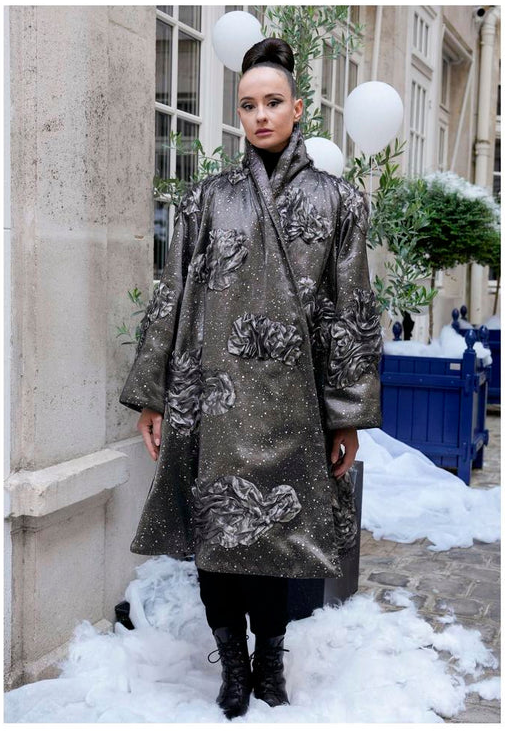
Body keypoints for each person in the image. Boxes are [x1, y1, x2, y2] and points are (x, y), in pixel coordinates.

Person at [119, 37, 383, 720]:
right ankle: (232, 666)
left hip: (295, 403)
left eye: (272, 102)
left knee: (274, 540)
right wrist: (153, 396)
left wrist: (347, 415)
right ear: (238, 113)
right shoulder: (207, 198)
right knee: (216, 536)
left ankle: (269, 660)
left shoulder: (339, 201)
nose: (260, 115)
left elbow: (352, 310)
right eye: (247, 105)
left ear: (298, 108)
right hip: (214, 394)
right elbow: (171, 295)